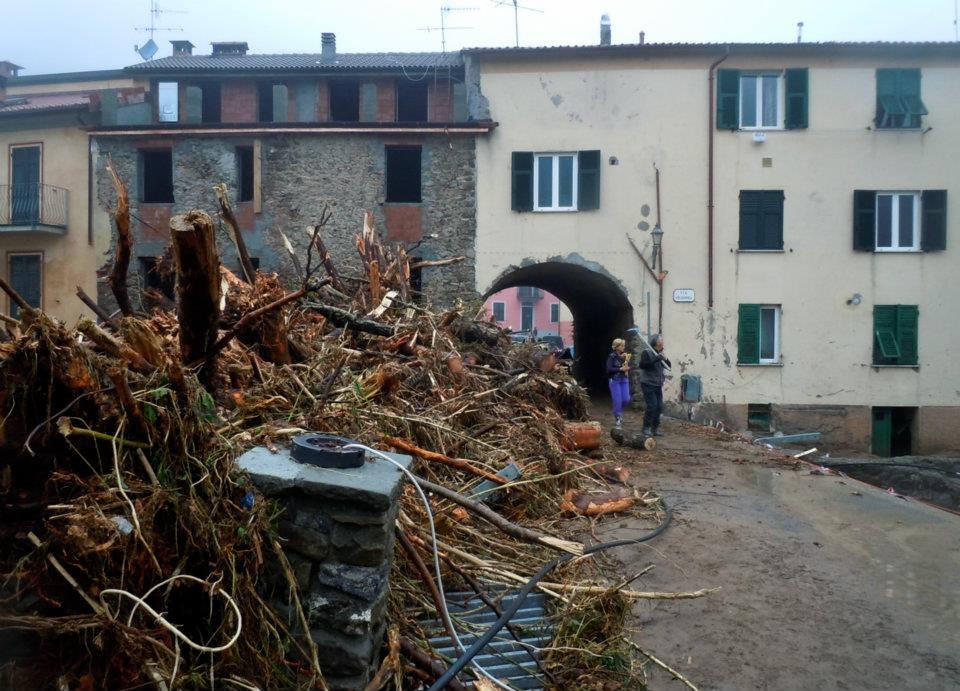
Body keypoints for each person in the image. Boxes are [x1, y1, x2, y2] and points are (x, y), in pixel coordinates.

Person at [638, 334, 671, 437]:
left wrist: (665, 359)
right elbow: (643, 365)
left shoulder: (660, 353)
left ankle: (655, 429)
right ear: (657, 342)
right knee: (652, 405)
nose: (663, 341)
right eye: (661, 339)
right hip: (648, 383)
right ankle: (646, 428)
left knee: (659, 407)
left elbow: (669, 367)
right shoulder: (647, 352)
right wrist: (657, 359)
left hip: (657, 384)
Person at [606, 338, 631, 428]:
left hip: (624, 379)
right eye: (621, 346)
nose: (623, 347)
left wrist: (628, 368)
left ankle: (618, 411)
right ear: (616, 347)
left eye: (624, 345)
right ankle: (618, 418)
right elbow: (609, 369)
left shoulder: (625, 356)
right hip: (614, 380)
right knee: (617, 400)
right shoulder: (611, 356)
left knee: (626, 399)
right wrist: (620, 369)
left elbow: (628, 366)